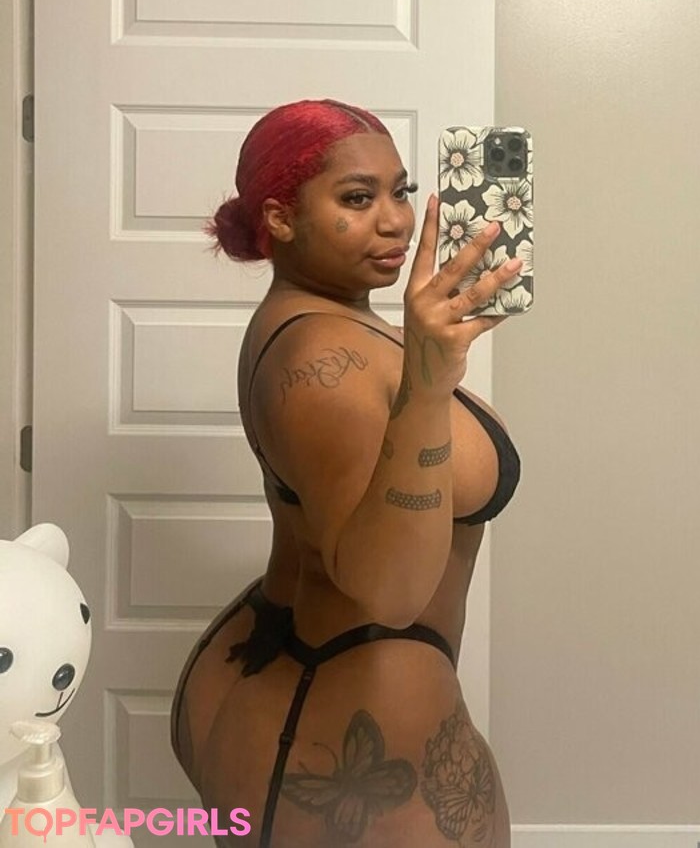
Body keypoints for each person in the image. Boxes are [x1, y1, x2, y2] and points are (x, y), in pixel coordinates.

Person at [170, 98, 523, 848]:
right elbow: (390, 594)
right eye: (358, 199)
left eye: (401, 190)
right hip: (348, 729)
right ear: (280, 218)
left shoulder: (328, 317)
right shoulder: (319, 365)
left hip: (304, 684)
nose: (396, 222)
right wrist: (427, 389)